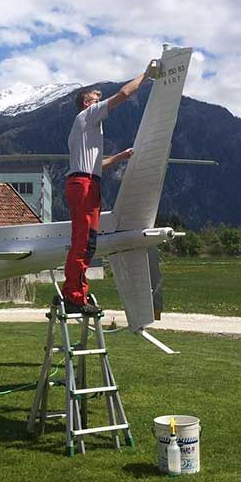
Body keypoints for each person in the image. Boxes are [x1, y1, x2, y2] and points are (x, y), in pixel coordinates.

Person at [63, 64, 154, 315]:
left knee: (88, 243)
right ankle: (73, 297)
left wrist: (120, 157)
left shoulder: (87, 128)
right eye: (94, 97)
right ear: (85, 103)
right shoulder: (88, 116)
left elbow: (96, 164)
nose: (99, 99)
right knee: (82, 244)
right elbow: (124, 94)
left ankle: (77, 293)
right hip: (83, 185)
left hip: (88, 182)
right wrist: (146, 75)